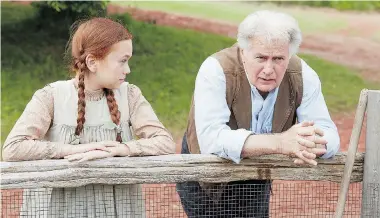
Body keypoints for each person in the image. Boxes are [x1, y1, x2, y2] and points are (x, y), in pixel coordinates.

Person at [2, 17, 176, 217]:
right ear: (92, 62)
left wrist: (122, 149)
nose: (127, 69)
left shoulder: (130, 95)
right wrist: (70, 150)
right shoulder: (51, 96)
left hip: (118, 208)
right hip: (61, 209)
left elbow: (165, 142)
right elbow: (13, 148)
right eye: (122, 61)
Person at [176, 10, 340, 217]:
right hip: (205, 176)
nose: (269, 69)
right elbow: (212, 141)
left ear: (289, 55)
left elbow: (330, 135)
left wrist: (311, 143)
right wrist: (281, 143)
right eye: (261, 58)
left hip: (257, 171)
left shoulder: (303, 75)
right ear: (243, 52)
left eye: (278, 58)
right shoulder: (215, 69)